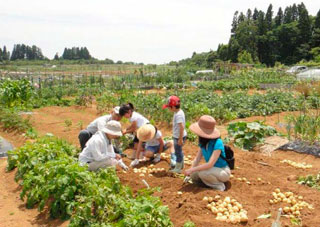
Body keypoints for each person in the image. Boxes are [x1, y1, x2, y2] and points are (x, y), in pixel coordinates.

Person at [184, 115, 231, 191]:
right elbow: (197, 159)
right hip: (212, 170)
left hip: (222, 172)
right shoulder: (203, 143)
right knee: (194, 175)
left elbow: (210, 164)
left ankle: (219, 186)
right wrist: (190, 172)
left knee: (203, 173)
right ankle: (207, 183)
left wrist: (193, 169)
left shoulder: (218, 143)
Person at [162, 96, 187, 173]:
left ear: (173, 107)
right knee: (179, 151)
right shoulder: (178, 112)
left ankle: (178, 168)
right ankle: (181, 165)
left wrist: (180, 139)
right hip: (179, 136)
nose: (168, 109)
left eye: (169, 107)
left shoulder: (178, 115)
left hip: (179, 137)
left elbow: (181, 127)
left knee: (177, 152)